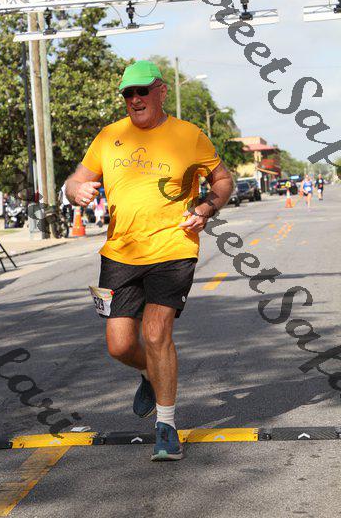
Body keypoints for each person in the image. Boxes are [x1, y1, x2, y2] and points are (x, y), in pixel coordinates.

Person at [65, 60, 233, 461]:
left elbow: (223, 179)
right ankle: (148, 373)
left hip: (174, 248)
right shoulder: (109, 136)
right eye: (128, 93)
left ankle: (166, 426)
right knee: (120, 345)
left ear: (160, 91)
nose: (135, 99)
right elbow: (75, 179)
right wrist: (75, 191)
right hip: (120, 253)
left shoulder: (189, 135)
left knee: (157, 334)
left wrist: (207, 207)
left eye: (142, 91)